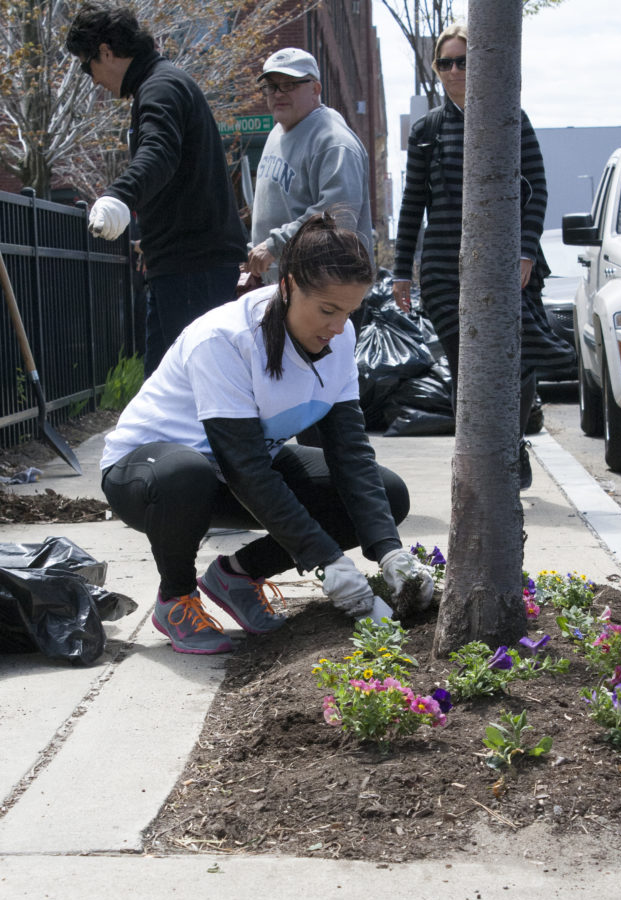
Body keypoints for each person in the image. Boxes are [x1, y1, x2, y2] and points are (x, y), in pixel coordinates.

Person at [100, 215, 434, 656]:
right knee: (187, 473)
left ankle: (237, 576)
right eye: (328, 310)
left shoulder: (340, 335)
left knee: (388, 495)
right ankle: (176, 600)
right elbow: (245, 466)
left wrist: (389, 552)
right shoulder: (225, 339)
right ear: (289, 285)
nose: (338, 327)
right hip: (151, 477)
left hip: (234, 468)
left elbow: (351, 453)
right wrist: (327, 559)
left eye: (349, 312)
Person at [392, 22, 575, 490]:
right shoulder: (427, 130)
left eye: (464, 60)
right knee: (467, 370)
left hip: (505, 263)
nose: (454, 70)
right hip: (443, 268)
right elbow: (412, 204)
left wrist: (525, 251)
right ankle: (477, 467)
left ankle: (511, 447)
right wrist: (401, 274)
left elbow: (536, 188)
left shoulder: (508, 116)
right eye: (445, 62)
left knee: (518, 360)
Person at [66, 3, 247, 378]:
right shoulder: (160, 84)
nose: (91, 78)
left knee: (191, 395)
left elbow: (159, 152)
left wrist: (119, 195)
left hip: (193, 269)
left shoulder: (160, 88)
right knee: (164, 395)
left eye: (88, 65)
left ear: (106, 51)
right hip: (184, 265)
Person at [247, 47, 374, 285]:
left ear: (315, 89)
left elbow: (337, 217)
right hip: (286, 286)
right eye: (271, 86)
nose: (278, 93)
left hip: (324, 292)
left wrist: (275, 244)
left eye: (289, 84)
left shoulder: (334, 142)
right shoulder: (277, 132)